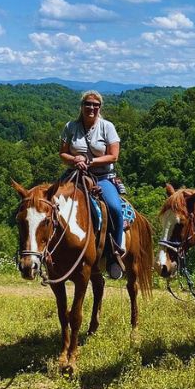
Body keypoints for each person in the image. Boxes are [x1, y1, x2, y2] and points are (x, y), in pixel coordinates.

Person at [60, 90, 126, 279]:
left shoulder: (107, 127)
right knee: (49, 202)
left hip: (102, 177)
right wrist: (75, 159)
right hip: (74, 175)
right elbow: (62, 153)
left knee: (114, 208)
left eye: (95, 105)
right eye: (88, 104)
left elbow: (114, 155)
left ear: (100, 108)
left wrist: (89, 162)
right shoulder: (70, 127)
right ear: (81, 106)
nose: (91, 108)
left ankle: (115, 253)